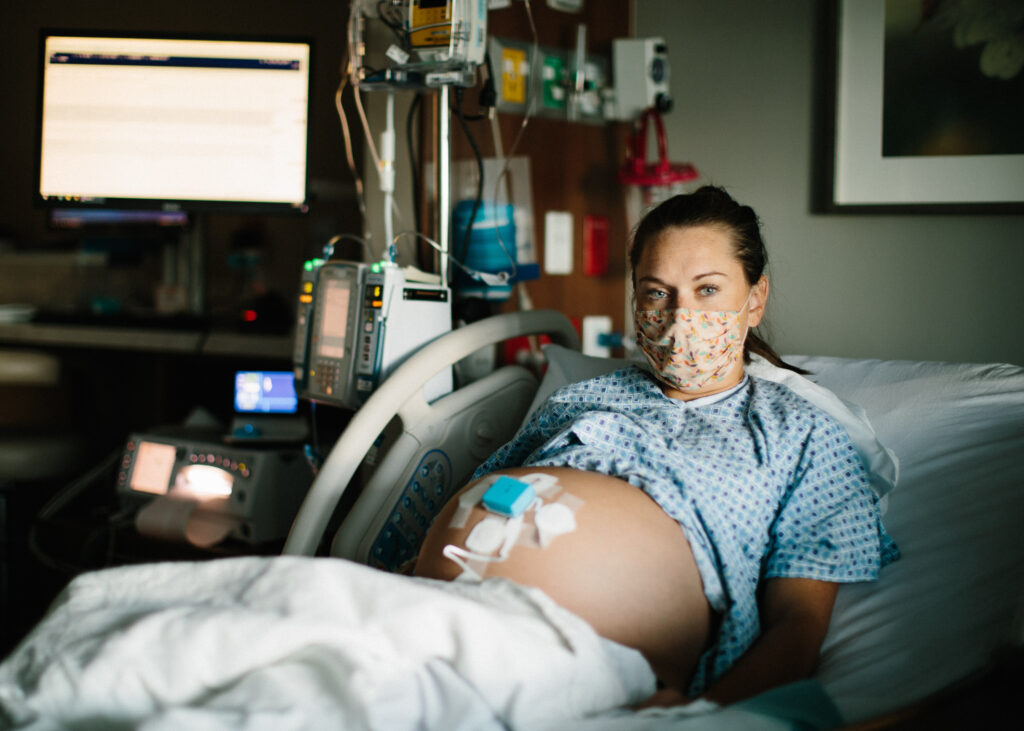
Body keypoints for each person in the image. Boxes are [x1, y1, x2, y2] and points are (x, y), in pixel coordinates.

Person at [415, 185, 899, 708]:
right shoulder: (580, 397)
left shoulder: (803, 434)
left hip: (587, 669)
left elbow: (797, 625)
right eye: (656, 292)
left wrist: (701, 716)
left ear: (754, 299)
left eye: (707, 290)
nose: (678, 315)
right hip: (426, 620)